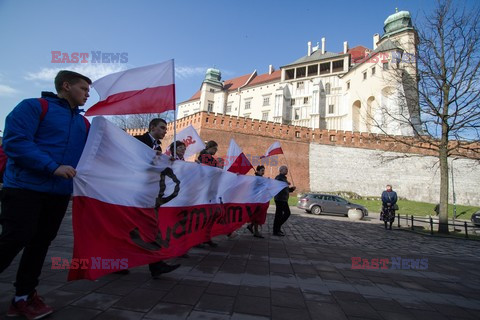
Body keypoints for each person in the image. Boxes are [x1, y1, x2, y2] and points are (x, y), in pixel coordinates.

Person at [0, 70, 91, 319]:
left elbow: (100, 152)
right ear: (65, 85)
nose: (87, 94)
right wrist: (52, 167)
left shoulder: (83, 123)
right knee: (14, 239)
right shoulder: (33, 107)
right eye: (83, 88)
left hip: (58, 193)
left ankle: (23, 297)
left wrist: (154, 158)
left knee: (40, 244)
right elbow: (15, 142)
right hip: (23, 188)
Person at [133, 118, 181, 278]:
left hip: (149, 195)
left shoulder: (158, 147)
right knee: (130, 229)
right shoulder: (138, 141)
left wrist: (167, 161)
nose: (165, 131)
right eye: (162, 128)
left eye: (166, 128)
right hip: (134, 193)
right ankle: (118, 262)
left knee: (151, 228)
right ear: (152, 127)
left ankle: (156, 265)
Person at [273, 166, 296, 236]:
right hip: (279, 199)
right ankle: (276, 230)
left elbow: (286, 189)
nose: (287, 170)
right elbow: (278, 185)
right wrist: (286, 184)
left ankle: (277, 228)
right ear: (281, 170)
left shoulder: (284, 179)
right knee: (279, 215)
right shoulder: (279, 177)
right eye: (285, 169)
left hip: (284, 199)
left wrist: (291, 189)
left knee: (286, 213)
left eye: (287, 169)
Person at [246, 165, 267, 238]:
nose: (263, 172)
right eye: (262, 170)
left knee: (258, 215)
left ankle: (251, 226)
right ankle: (256, 231)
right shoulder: (255, 179)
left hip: (260, 200)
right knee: (257, 215)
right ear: (257, 171)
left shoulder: (261, 178)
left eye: (264, 170)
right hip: (256, 200)